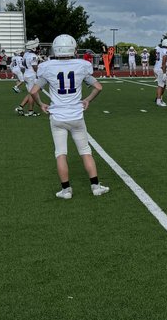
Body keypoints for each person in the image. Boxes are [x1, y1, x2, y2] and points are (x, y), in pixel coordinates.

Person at [31, 34, 109, 199]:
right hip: (76, 116)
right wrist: (87, 100)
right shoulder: (82, 65)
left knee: (60, 153)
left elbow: (33, 91)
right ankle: (95, 187)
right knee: (85, 151)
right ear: (73, 48)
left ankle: (66, 190)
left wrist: (41, 104)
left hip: (58, 117)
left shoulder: (47, 66)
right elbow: (98, 87)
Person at [154, 38, 167, 106]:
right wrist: (164, 73)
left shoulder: (159, 49)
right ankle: (158, 101)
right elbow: (163, 62)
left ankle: (159, 99)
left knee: (162, 85)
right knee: (161, 85)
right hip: (161, 69)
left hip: (156, 68)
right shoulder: (166, 51)